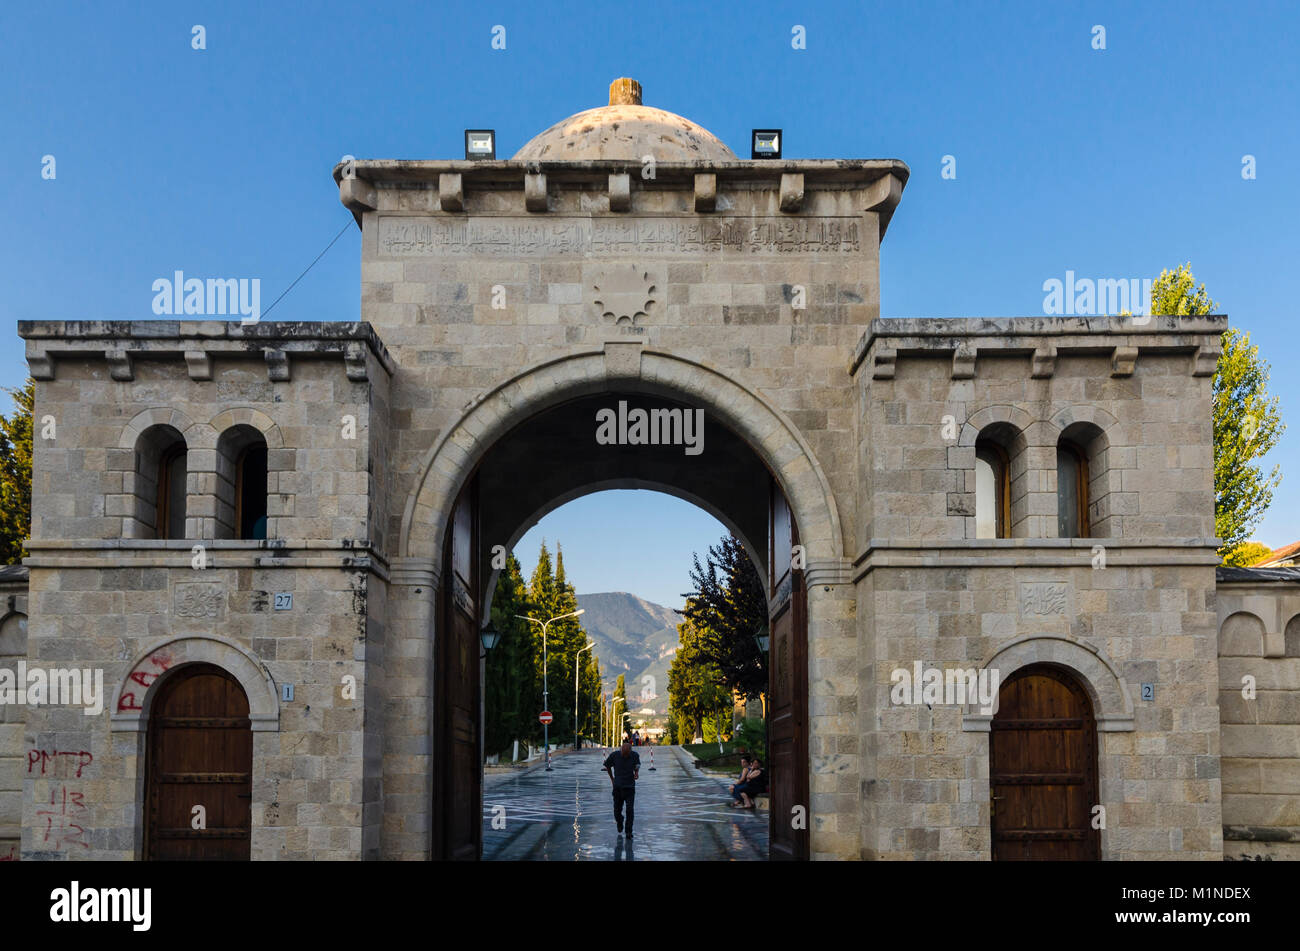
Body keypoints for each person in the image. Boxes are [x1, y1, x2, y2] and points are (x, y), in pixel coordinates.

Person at [603, 739, 641, 839]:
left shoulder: (635, 755)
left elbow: (637, 765)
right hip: (617, 788)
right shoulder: (614, 755)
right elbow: (607, 766)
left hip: (629, 788)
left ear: (630, 752)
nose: (624, 756)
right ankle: (619, 821)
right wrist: (612, 779)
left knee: (630, 810)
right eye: (623, 754)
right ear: (620, 750)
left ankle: (629, 832)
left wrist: (636, 773)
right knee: (617, 811)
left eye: (626, 754)